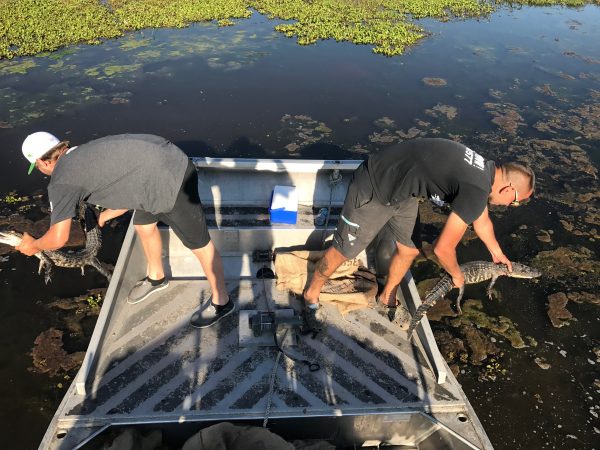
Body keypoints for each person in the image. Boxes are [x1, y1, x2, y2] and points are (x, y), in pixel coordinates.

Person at [303, 138, 535, 330]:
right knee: (345, 250)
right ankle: (311, 296)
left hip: (404, 192)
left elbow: (482, 222)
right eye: (515, 202)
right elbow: (442, 249)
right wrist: (456, 275)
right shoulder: (476, 190)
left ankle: (387, 298)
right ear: (508, 190)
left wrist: (498, 254)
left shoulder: (485, 172)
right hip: (374, 184)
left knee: (409, 250)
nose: (509, 206)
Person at [16, 132, 234, 328]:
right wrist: (105, 216)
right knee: (142, 225)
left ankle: (222, 302)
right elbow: (123, 181)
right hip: (156, 159)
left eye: (37, 167)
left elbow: (58, 237)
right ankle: (156, 277)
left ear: (41, 162)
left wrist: (32, 245)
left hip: (172, 176)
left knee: (199, 244)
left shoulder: (61, 182)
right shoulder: (80, 152)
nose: (41, 172)